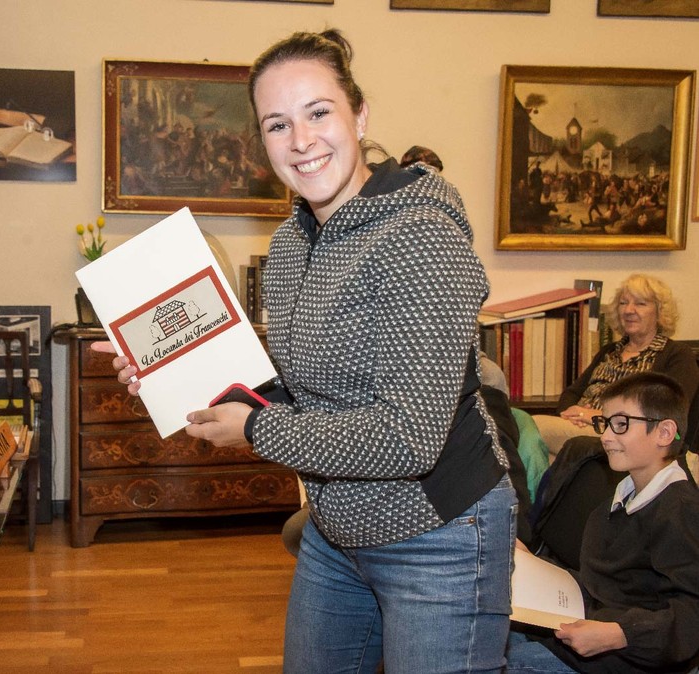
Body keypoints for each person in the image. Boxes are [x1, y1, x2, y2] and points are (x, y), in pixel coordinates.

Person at [93, 29, 516, 674]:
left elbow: (408, 439)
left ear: (360, 114)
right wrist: (173, 372)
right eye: (276, 124)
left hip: (440, 533)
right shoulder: (292, 242)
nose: (301, 140)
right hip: (337, 523)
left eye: (319, 112)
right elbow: (304, 388)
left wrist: (255, 428)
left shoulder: (420, 235)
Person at [506, 372, 699, 673]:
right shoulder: (622, 495)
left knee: (502, 662)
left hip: (630, 653)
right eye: (605, 423)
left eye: (621, 424)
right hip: (593, 624)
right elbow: (608, 584)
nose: (606, 436)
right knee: (491, 629)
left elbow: (691, 616)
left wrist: (619, 634)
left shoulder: (680, 509)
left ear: (664, 433)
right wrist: (537, 567)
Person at [532, 273, 699, 462]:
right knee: (546, 456)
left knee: (531, 427)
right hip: (580, 426)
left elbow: (668, 410)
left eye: (640, 304)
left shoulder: (676, 354)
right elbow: (571, 393)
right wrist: (575, 415)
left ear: (660, 312)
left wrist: (597, 416)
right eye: (623, 303)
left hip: (624, 434)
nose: (629, 310)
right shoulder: (610, 351)